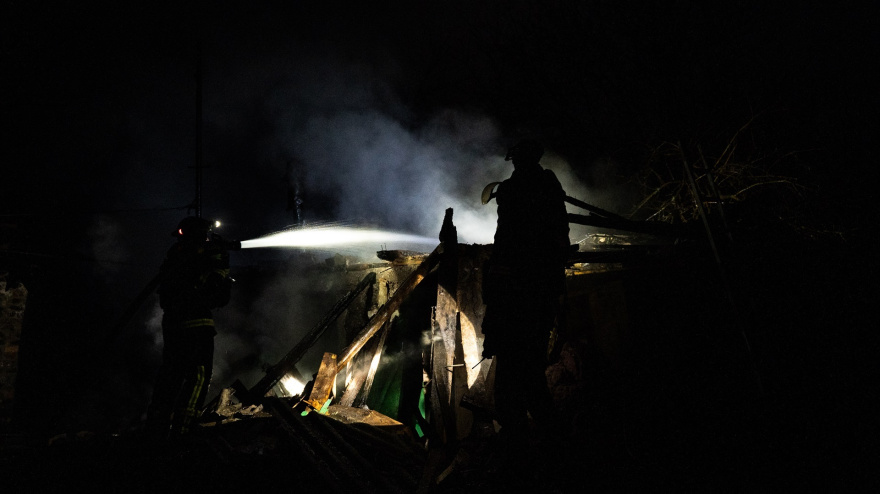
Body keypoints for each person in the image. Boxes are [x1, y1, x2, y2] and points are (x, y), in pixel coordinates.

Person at [481, 138, 570, 446]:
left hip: (519, 297)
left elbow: (505, 244)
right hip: (539, 294)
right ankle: (547, 440)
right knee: (531, 373)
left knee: (513, 379)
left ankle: (523, 445)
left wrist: (495, 307)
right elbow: (559, 238)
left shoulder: (514, 192)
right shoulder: (548, 187)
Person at [145, 216, 231, 438]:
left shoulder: (175, 256)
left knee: (171, 375)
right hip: (197, 324)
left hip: (173, 325)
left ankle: (156, 428)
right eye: (205, 234)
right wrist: (221, 256)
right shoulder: (204, 256)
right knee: (198, 375)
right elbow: (216, 286)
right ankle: (182, 432)